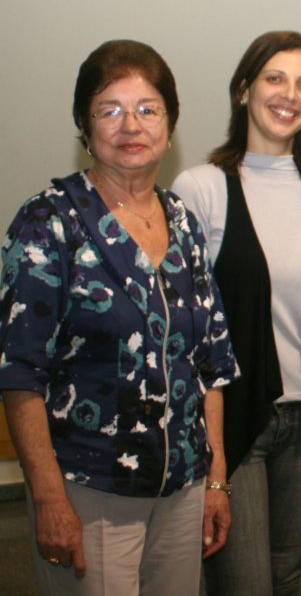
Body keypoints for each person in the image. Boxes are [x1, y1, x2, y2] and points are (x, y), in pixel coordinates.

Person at [0, 39, 238, 596]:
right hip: (90, 490)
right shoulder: (48, 223)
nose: (131, 124)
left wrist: (216, 479)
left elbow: (210, 364)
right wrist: (49, 498)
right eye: (110, 110)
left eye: (148, 109)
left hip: (182, 487)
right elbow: (17, 375)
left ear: (170, 125)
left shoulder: (181, 220)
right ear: (85, 126)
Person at [172, 30, 301, 596]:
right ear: (243, 90)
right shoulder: (201, 188)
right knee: (242, 585)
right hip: (232, 424)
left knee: (285, 577)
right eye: (275, 78)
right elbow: (188, 332)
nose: (290, 94)